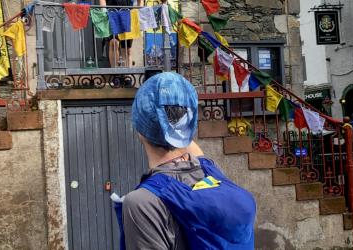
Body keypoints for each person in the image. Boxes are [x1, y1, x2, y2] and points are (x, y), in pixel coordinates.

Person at [115, 72, 256, 250]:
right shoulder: (211, 173)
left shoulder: (142, 203)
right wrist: (178, 120)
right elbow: (191, 147)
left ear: (139, 131)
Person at [99, 0, 143, 67]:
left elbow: (140, 1)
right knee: (114, 43)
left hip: (128, 16)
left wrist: (138, 12)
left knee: (127, 49)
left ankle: (127, 74)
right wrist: (104, 11)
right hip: (112, 16)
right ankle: (115, 72)